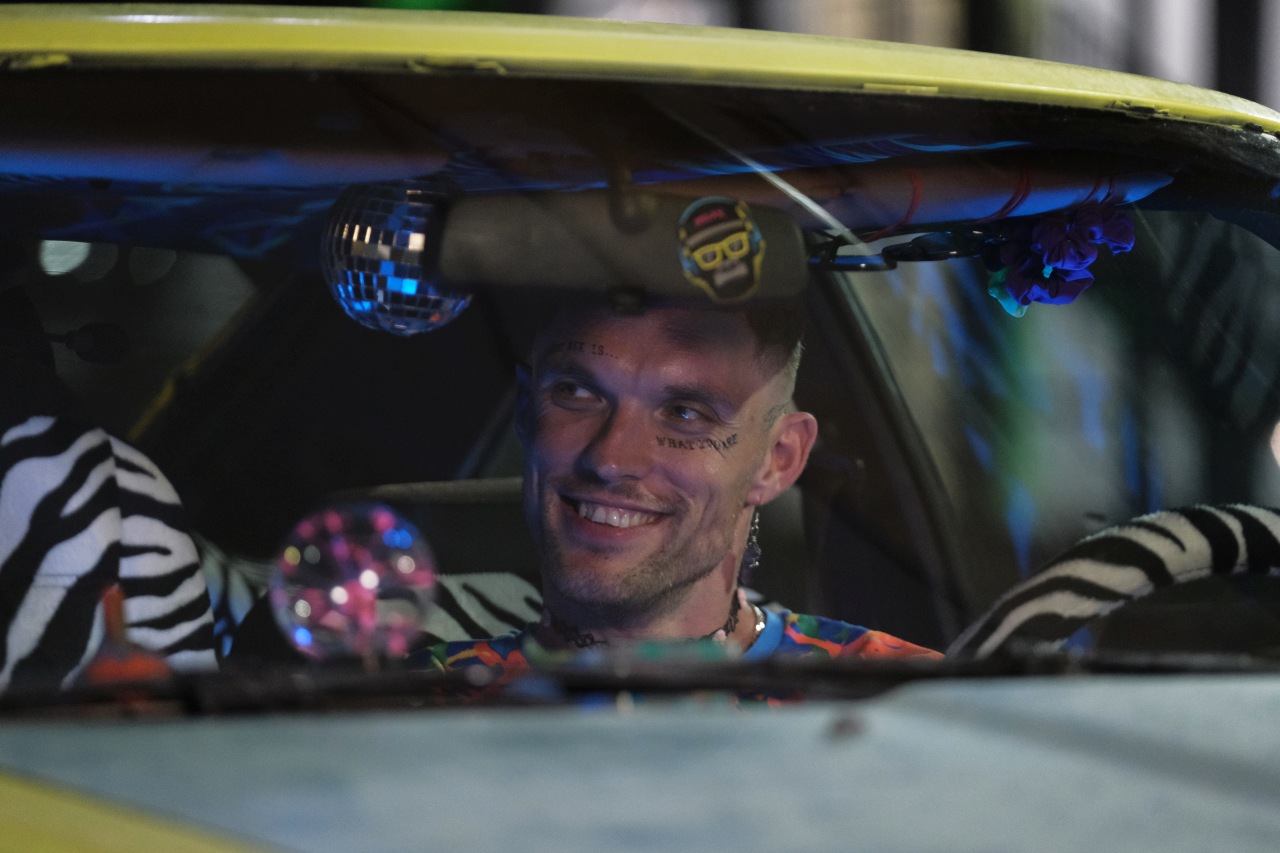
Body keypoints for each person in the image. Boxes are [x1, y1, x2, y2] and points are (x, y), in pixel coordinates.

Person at [415, 299, 939, 684]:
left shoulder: (902, 703)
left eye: (686, 413)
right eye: (577, 392)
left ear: (777, 460)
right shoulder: (414, 707)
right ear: (527, 409)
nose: (611, 460)